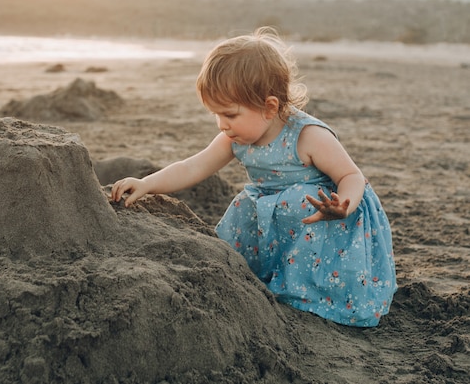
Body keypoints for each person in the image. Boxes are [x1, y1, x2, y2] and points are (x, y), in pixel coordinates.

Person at [111, 27, 397, 327]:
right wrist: (146, 184)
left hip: (326, 214)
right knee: (244, 208)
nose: (222, 125)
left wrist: (343, 205)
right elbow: (191, 167)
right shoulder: (235, 138)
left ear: (269, 107)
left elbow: (352, 175)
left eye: (230, 115)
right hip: (276, 212)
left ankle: (305, 288)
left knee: (299, 204)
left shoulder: (309, 135)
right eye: (216, 115)